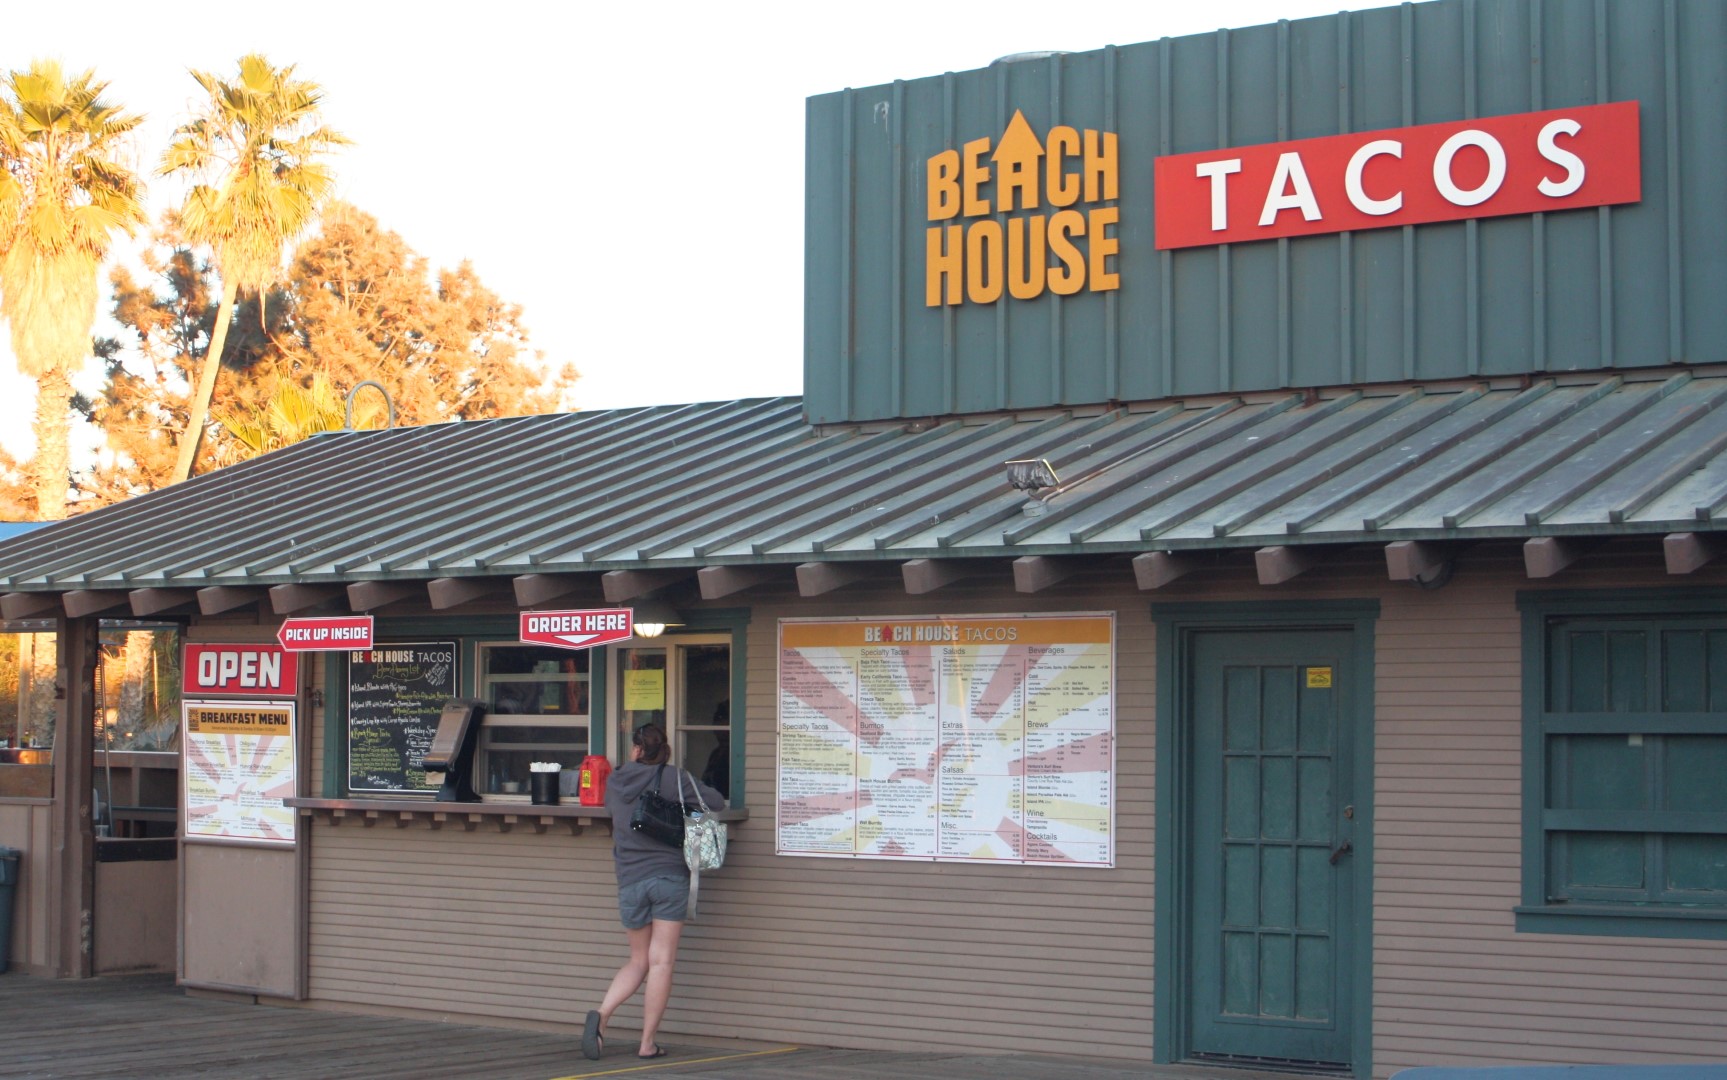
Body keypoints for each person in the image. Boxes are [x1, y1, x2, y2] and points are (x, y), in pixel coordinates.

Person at [582, 722, 725, 1061]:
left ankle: (602, 1014)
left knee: (637, 960)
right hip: (668, 879)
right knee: (661, 962)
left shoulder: (615, 780)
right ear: (665, 751)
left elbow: (612, 813)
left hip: (629, 879)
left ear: (635, 749)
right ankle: (647, 1044)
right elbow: (716, 802)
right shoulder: (676, 778)